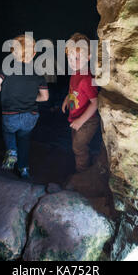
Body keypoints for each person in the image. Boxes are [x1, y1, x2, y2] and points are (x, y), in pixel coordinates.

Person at [0, 34, 49, 180]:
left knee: (9, 132)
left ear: (12, 52)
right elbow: (45, 97)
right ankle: (24, 169)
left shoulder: (7, 68)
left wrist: (5, 92)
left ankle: (11, 151)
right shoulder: (38, 73)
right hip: (31, 116)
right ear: (34, 53)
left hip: (11, 114)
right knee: (24, 139)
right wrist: (30, 97)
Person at [62, 33, 100, 173]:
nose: (72, 61)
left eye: (77, 58)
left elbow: (95, 103)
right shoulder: (75, 73)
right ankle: (81, 166)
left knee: (78, 147)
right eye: (69, 57)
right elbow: (73, 89)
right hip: (76, 117)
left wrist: (81, 120)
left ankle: (82, 171)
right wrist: (68, 98)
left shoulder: (86, 79)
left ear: (88, 57)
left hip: (88, 121)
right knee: (76, 143)